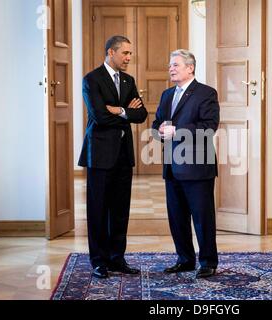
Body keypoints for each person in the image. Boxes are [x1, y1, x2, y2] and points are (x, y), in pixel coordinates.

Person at [78, 36, 148, 279]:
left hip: (123, 154)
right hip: (98, 153)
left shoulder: (129, 80)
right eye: (125, 53)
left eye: (130, 54)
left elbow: (142, 115)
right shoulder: (92, 79)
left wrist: (118, 110)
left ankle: (117, 258)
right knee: (98, 209)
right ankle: (98, 261)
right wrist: (127, 112)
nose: (129, 58)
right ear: (111, 52)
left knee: (120, 210)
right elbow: (99, 116)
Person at [152, 49, 220, 279]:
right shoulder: (166, 95)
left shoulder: (206, 93)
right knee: (177, 217)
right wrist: (159, 131)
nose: (171, 68)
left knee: (202, 217)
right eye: (170, 65)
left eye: (176, 65)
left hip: (197, 166)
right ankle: (185, 260)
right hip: (172, 165)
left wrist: (177, 131)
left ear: (190, 68)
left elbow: (209, 126)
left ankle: (208, 262)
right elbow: (158, 123)